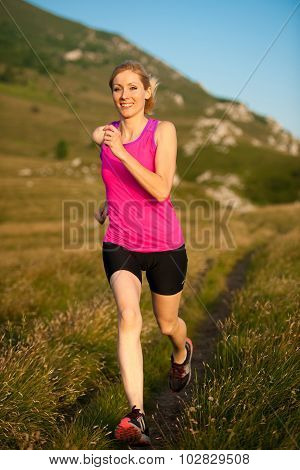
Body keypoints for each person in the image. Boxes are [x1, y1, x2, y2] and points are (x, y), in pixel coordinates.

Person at [92, 60, 193, 447]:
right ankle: (137, 416)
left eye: (133, 88)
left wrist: (122, 152)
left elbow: (161, 189)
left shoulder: (162, 131)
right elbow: (118, 181)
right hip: (120, 242)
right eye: (117, 88)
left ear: (148, 92)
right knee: (128, 314)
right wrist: (107, 201)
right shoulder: (107, 136)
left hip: (165, 245)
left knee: (168, 325)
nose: (124, 96)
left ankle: (182, 353)